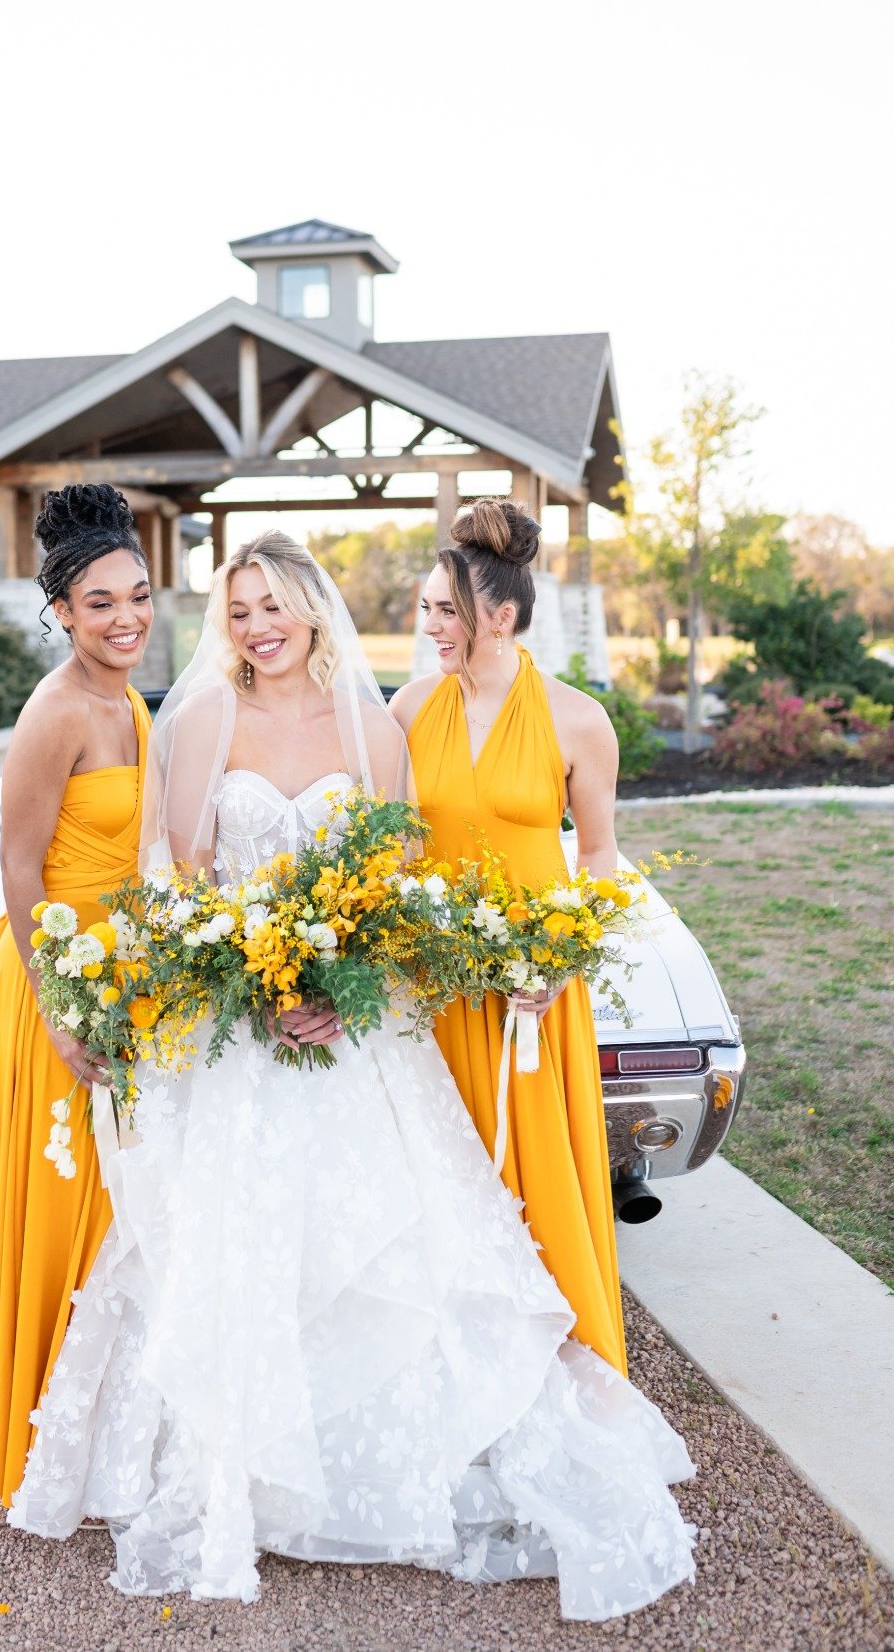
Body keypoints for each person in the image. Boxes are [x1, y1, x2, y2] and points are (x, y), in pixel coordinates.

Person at [7, 531, 695, 1620]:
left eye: (274, 605)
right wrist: (245, 970)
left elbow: (400, 872)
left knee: (396, 1241)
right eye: (238, 612)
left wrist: (343, 971)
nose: (257, 627)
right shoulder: (194, 721)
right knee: (232, 1246)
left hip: (355, 1028)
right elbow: (177, 876)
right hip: (236, 1026)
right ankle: (249, 1466)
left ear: (315, 610)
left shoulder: (379, 724)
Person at [389, 497, 627, 1375]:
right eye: (425, 608)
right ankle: (451, 1371)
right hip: (434, 990)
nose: (430, 628)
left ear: (502, 615)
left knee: (537, 1180)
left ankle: (559, 1361)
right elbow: (388, 842)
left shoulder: (578, 719)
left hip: (535, 991)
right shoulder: (411, 707)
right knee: (440, 1177)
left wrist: (565, 961)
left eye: (446, 610)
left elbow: (598, 856)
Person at [0, 484, 153, 1508]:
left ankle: (110, 1440)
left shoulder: (125, 697)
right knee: (66, 1206)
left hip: (124, 974)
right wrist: (59, 1005)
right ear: (62, 613)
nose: (125, 617)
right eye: (99, 602)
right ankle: (46, 1450)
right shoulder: (57, 709)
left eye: (137, 594)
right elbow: (20, 870)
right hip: (59, 978)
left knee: (123, 1215)